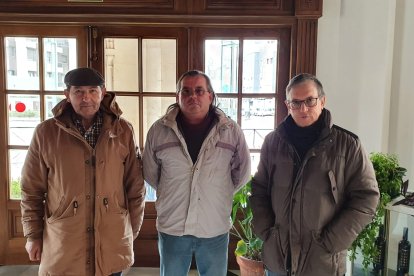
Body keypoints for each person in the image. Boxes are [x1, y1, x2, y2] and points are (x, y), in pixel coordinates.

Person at [250, 73, 380, 276]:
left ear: (322, 101)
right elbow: (259, 189)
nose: (303, 108)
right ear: (287, 105)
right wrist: (267, 231)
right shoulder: (273, 142)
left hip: (323, 260)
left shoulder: (348, 145)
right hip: (279, 256)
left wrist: (333, 240)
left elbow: (367, 198)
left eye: (310, 100)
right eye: (296, 102)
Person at [20, 67, 146, 276]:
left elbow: (136, 186)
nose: (86, 98)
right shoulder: (46, 133)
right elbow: (31, 189)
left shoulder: (123, 130)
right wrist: (33, 235)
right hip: (64, 241)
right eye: (78, 91)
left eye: (92, 91)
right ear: (67, 95)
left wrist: (130, 230)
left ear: (103, 92)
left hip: (112, 239)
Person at [142, 70, 251, 276]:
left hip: (214, 226)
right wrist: (174, 191)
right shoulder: (158, 131)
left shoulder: (231, 130)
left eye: (199, 91)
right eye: (186, 91)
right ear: (178, 97)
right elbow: (151, 173)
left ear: (210, 95)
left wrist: (218, 192)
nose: (193, 96)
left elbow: (242, 172)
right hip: (173, 225)